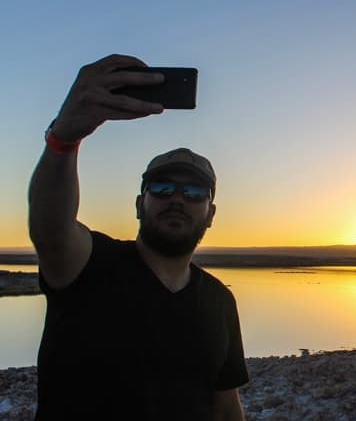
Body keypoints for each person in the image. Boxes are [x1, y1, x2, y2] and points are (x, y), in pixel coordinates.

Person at [28, 54, 249, 420]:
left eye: (194, 193)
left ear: (210, 215)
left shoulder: (219, 300)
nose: (177, 199)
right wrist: (63, 140)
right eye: (162, 188)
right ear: (139, 204)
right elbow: (49, 227)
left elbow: (225, 406)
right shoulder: (88, 264)